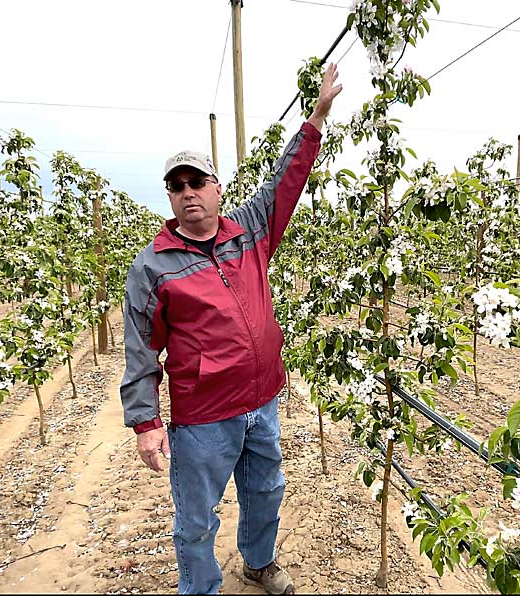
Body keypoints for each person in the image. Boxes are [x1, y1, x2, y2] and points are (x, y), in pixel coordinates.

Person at [120, 64, 342, 595]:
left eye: (197, 182)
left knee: (266, 489)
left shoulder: (250, 232)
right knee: (196, 520)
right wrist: (146, 424)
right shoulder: (153, 267)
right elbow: (141, 350)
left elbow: (286, 180)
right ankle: (201, 588)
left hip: (262, 401)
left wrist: (315, 118)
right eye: (177, 187)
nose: (187, 192)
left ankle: (258, 563)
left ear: (217, 188)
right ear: (170, 199)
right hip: (203, 419)